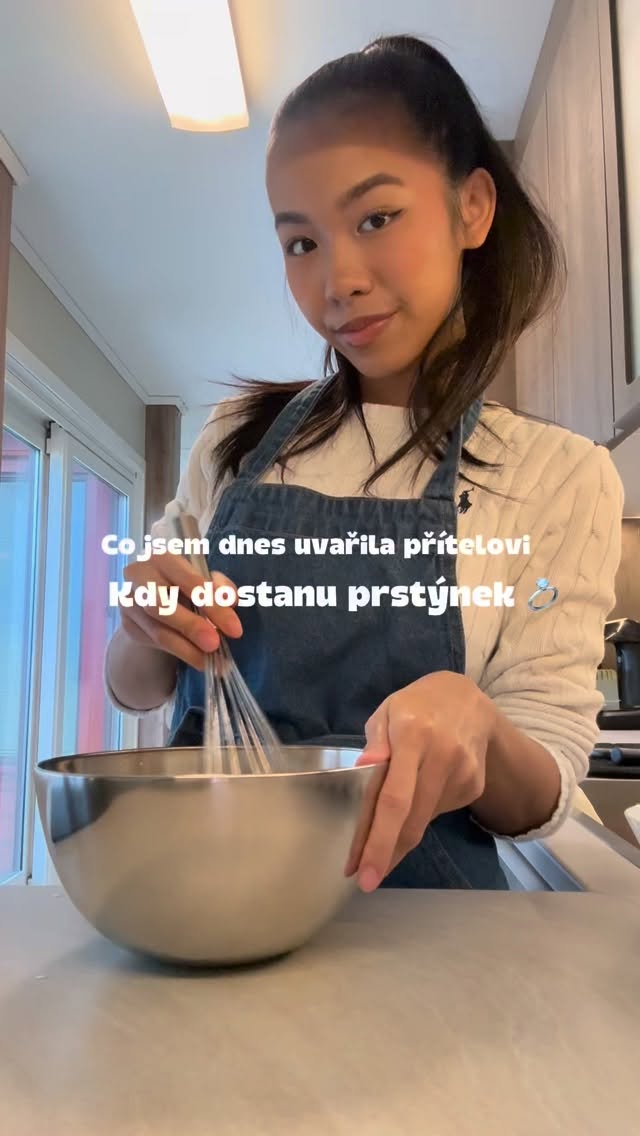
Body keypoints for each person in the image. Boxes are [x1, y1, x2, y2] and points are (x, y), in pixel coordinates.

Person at [104, 34, 624, 892]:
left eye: (376, 218)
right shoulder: (236, 439)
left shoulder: (558, 476)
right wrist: (141, 624)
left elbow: (546, 788)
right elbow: (135, 688)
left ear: (472, 209)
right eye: (300, 243)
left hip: (426, 932)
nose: (336, 279)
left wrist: (482, 730)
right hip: (207, 903)